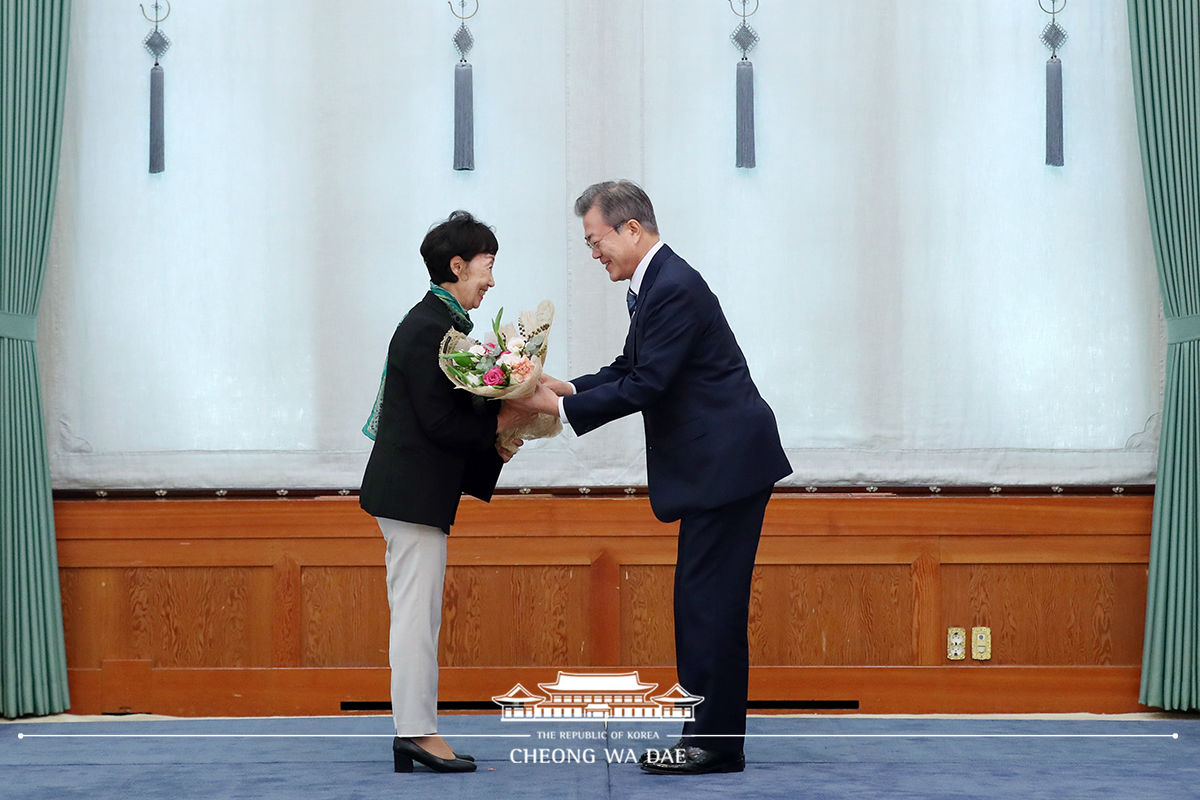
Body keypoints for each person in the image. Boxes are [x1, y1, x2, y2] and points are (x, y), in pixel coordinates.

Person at [513, 181, 792, 775]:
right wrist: (564, 387)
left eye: (596, 242)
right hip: (720, 465)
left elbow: (648, 384)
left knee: (707, 606)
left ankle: (712, 744)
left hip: (727, 464)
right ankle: (710, 737)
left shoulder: (672, 287)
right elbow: (628, 367)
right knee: (702, 604)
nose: (594, 255)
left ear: (630, 229)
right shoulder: (657, 283)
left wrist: (556, 411)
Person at [359, 210, 528, 774]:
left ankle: (416, 730)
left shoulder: (442, 324)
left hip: (414, 497)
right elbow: (439, 423)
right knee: (414, 617)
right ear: (457, 265)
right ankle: (415, 733)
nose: (492, 279)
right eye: (488, 265)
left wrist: (500, 422)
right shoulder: (432, 328)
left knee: (418, 615)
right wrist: (504, 419)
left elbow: (452, 414)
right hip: (411, 499)